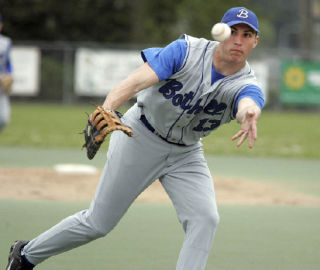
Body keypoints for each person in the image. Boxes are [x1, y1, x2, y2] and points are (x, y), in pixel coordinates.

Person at [6, 6, 264, 270]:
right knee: (98, 223)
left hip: (186, 153)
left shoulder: (246, 83)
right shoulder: (186, 51)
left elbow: (247, 103)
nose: (238, 40)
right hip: (140, 135)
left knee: (205, 219)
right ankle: (26, 254)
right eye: (233, 31)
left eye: (246, 34)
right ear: (222, 33)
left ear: (255, 41)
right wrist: (108, 108)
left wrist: (249, 113)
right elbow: (136, 82)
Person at [0, 13, 14, 133]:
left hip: (1, 84)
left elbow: (8, 63)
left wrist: (10, 74)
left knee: (4, 119)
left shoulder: (5, 42)